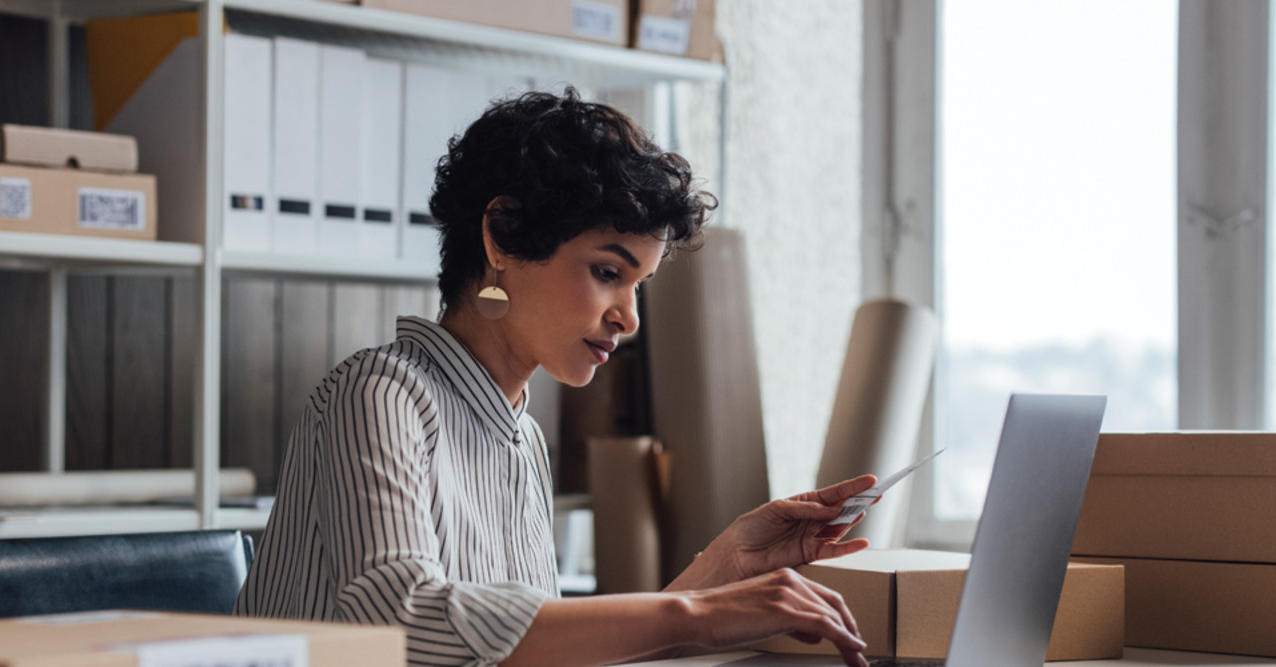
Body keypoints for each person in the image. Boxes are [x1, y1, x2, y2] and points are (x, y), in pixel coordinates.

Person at [235, 88, 875, 667]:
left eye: (638, 287)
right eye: (607, 272)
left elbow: (538, 651)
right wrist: (698, 615)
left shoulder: (521, 438)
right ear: (503, 238)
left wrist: (728, 564)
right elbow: (400, 617)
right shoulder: (378, 394)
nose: (628, 318)